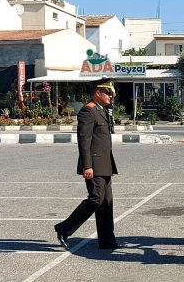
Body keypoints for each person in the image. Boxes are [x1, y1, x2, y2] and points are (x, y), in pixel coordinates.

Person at [54, 80, 120, 250]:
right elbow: (84, 141)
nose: (111, 96)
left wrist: (110, 167)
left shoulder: (102, 111)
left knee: (106, 202)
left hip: (104, 164)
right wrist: (87, 166)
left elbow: (104, 142)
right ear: (97, 93)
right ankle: (64, 228)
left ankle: (107, 240)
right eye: (108, 92)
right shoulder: (88, 111)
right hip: (94, 165)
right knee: (96, 198)